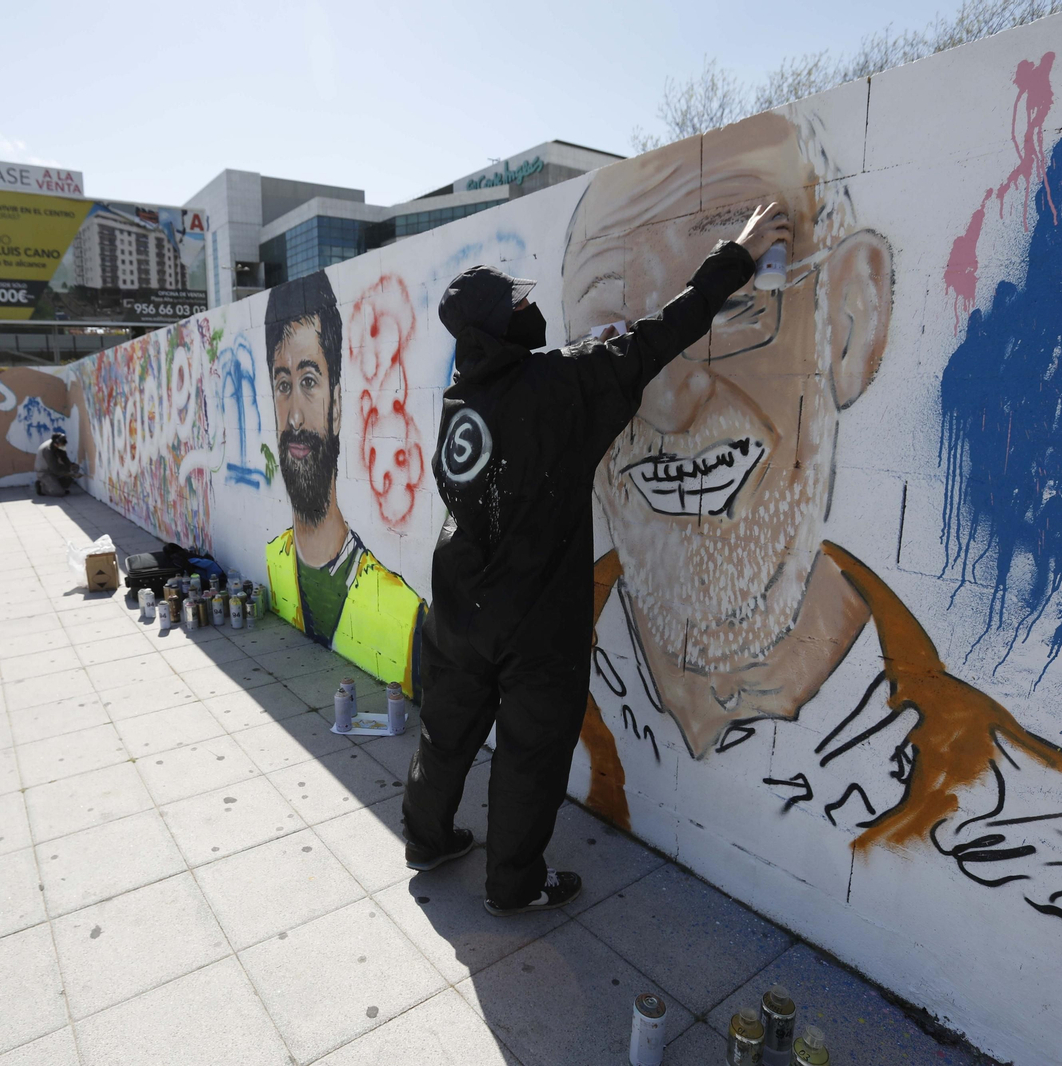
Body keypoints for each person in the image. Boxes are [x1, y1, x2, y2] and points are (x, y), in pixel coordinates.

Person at [568, 112, 1062, 944]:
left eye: (740, 305)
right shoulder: (540, 665)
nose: (667, 396)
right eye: (609, 342)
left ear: (851, 320)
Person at [400, 198, 789, 916]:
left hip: (459, 605)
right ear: (498, 326)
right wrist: (734, 256)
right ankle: (514, 886)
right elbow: (656, 338)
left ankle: (425, 840)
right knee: (531, 751)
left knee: (446, 731)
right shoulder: (557, 386)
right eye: (517, 303)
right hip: (534, 618)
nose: (530, 306)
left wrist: (583, 362)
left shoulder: (462, 402)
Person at [261, 270, 425, 695]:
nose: (295, 416)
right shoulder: (271, 563)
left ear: (336, 405)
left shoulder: (408, 616)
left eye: (309, 382)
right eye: (283, 385)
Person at [34, 431, 81, 496]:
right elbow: (55, 470)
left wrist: (71, 466)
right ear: (56, 444)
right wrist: (71, 474)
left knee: (74, 468)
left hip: (55, 468)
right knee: (59, 493)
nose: (63, 446)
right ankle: (42, 487)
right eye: (61, 444)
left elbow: (64, 457)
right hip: (45, 472)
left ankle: (56, 486)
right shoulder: (48, 450)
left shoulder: (60, 444)